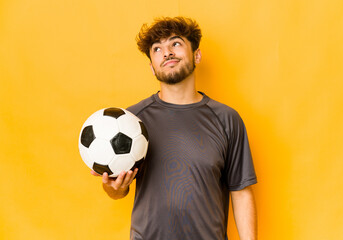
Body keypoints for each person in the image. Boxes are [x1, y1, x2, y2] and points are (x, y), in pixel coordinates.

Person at [92, 16, 258, 240]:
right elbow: (116, 192)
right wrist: (115, 188)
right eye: (157, 49)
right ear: (152, 67)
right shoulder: (131, 121)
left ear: (196, 55)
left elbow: (241, 190)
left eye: (176, 43)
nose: (167, 52)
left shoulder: (227, 119)